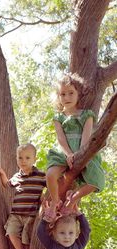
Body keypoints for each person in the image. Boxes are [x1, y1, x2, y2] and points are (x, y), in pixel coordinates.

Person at [45, 73, 105, 222]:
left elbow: (86, 137)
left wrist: (79, 155)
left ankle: (72, 200)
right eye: (62, 94)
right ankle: (54, 202)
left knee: (96, 182)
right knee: (50, 175)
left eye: (71, 93)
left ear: (78, 94)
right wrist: (69, 154)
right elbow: (60, 138)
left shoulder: (87, 115)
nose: (67, 97)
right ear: (58, 97)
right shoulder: (58, 117)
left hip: (83, 151)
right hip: (63, 152)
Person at [0, 143, 46, 249]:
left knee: (26, 237)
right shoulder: (17, 176)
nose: (23, 161)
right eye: (20, 158)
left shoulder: (41, 175)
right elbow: (7, 185)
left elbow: (51, 185)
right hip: (16, 213)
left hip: (31, 214)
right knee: (11, 232)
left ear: (35, 159)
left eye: (27, 158)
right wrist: (2, 174)